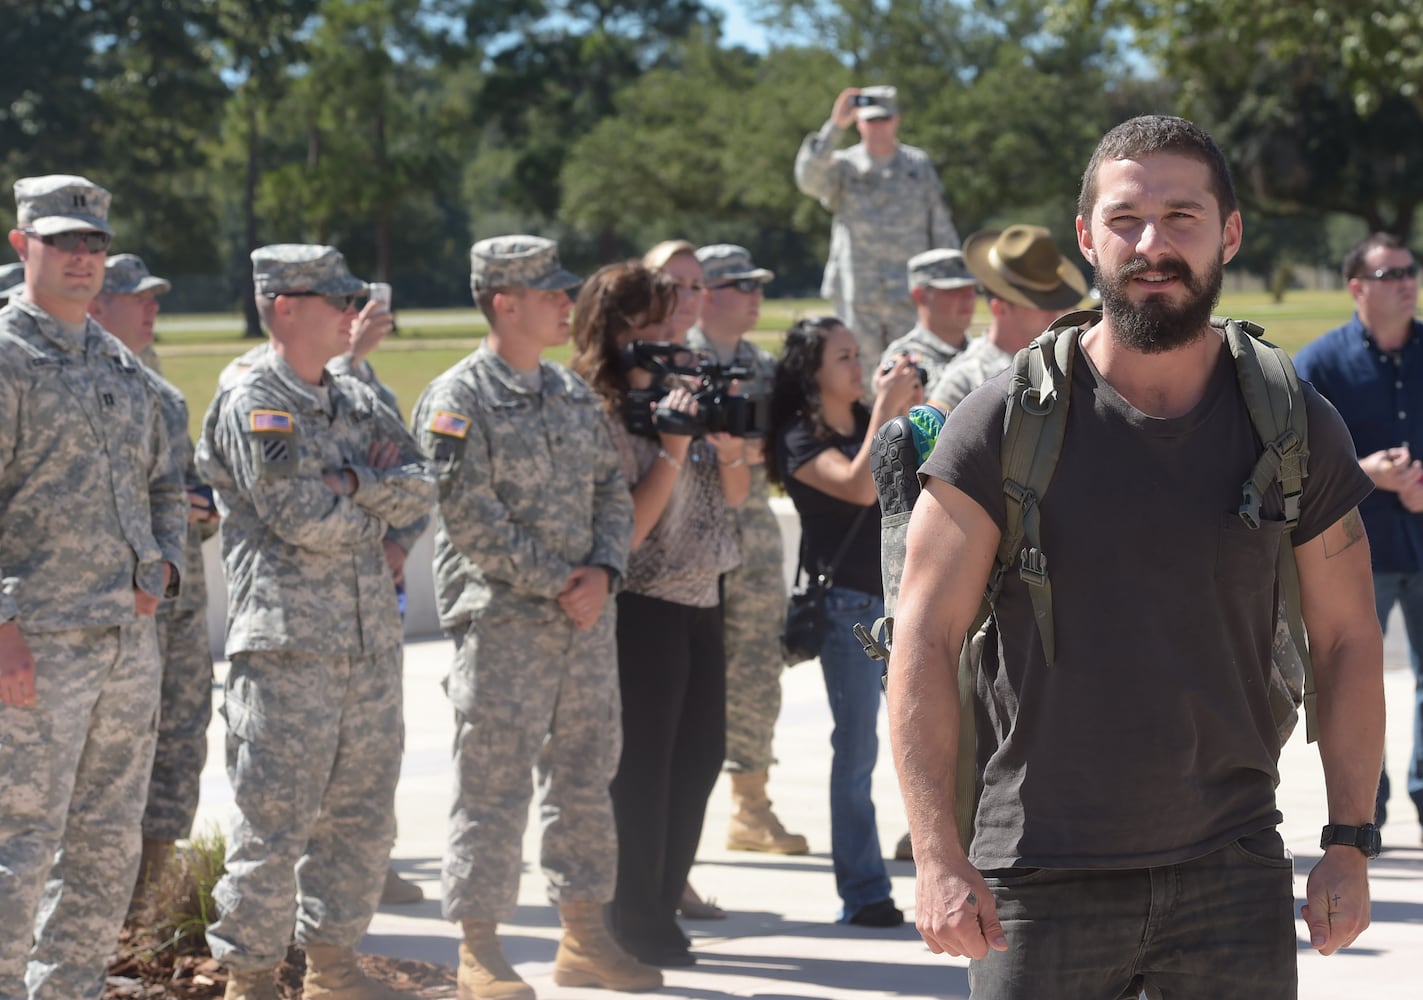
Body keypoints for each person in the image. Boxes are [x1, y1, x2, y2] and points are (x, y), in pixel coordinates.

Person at [889, 115, 1384, 998]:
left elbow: (1347, 637)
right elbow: (922, 639)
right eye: (1125, 219)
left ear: (1229, 232)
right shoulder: (1000, 425)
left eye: (1182, 217)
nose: (1152, 245)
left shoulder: (1292, 423)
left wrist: (1348, 840)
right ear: (1086, 238)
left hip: (1231, 866)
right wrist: (936, 854)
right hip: (1036, 875)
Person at [412, 236, 658, 999]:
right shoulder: (457, 398)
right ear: (503, 302)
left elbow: (610, 491)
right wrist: (562, 582)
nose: (564, 303)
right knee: (491, 788)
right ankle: (479, 948)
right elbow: (468, 517)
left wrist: (604, 571)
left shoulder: (568, 392)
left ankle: (584, 936)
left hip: (584, 622)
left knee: (584, 778)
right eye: (548, 292)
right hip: (504, 626)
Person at [197, 244, 435, 1000]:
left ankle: (333, 969)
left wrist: (354, 482)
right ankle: (251, 979)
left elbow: (423, 483)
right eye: (339, 301)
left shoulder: (357, 397)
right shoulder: (255, 400)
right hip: (287, 651)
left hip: (369, 646)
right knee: (273, 825)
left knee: (361, 818)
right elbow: (299, 515)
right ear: (286, 308)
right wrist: (376, 507)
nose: (352, 315)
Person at [0, 175, 186, 1000]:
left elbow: (165, 483)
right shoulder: (7, 356)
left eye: (95, 243)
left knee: (107, 842)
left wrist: (165, 565)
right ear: (22, 246)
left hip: (125, 642)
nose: (82, 257)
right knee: (19, 840)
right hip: (36, 645)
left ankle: (67, 989)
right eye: (62, 241)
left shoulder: (117, 362)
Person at [572, 261, 750, 966]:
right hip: (643, 601)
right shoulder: (603, 410)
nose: (672, 331)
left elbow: (735, 495)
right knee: (642, 771)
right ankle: (633, 919)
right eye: (654, 321)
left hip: (704, 592)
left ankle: (662, 902)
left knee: (698, 761)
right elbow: (628, 531)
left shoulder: (680, 385)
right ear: (617, 330)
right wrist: (672, 450)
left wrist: (728, 448)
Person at [766, 315, 920, 926]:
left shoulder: (867, 419)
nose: (859, 367)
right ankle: (864, 893)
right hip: (850, 611)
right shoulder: (798, 438)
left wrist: (910, 407)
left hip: (903, 600)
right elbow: (859, 486)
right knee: (857, 752)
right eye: (844, 358)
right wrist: (886, 406)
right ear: (812, 373)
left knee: (932, 736)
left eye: (859, 354)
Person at [87, 254, 221, 908]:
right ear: (97, 306)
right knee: (114, 756)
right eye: (137, 298)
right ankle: (104, 901)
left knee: (180, 738)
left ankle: (152, 893)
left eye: (155, 297)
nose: (153, 308)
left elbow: (189, 488)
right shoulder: (79, 389)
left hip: (181, 602)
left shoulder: (161, 390)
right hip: (122, 610)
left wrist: (204, 510)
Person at [1294, 232, 1423, 838]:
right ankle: (1366, 811)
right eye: (1388, 274)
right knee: (1355, 679)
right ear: (1355, 288)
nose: (1405, 282)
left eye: (1410, 270)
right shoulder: (1318, 365)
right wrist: (1365, 474)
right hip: (1351, 555)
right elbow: (1292, 460)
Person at [687, 244, 810, 860]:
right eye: (742, 285)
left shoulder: (764, 367)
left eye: (758, 284)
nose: (756, 295)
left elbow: (789, 444)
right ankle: (675, 809)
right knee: (685, 674)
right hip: (686, 537)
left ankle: (750, 808)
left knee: (758, 669)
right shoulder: (677, 362)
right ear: (706, 294)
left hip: (752, 538)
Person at [794, 85, 960, 368]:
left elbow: (940, 224)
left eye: (885, 118)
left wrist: (950, 280)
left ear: (897, 120)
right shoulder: (844, 165)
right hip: (858, 295)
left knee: (913, 373)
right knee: (857, 376)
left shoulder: (917, 165)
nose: (878, 126)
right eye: (871, 120)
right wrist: (835, 126)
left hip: (908, 295)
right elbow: (808, 180)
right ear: (859, 123)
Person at [926, 225, 1087, 413]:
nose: (1058, 313)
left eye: (1059, 301)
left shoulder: (1070, 361)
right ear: (1000, 308)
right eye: (1043, 304)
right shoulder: (965, 380)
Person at [878, 249, 978, 386]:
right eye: (954, 290)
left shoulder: (981, 351)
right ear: (920, 296)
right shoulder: (904, 358)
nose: (968, 298)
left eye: (971, 289)